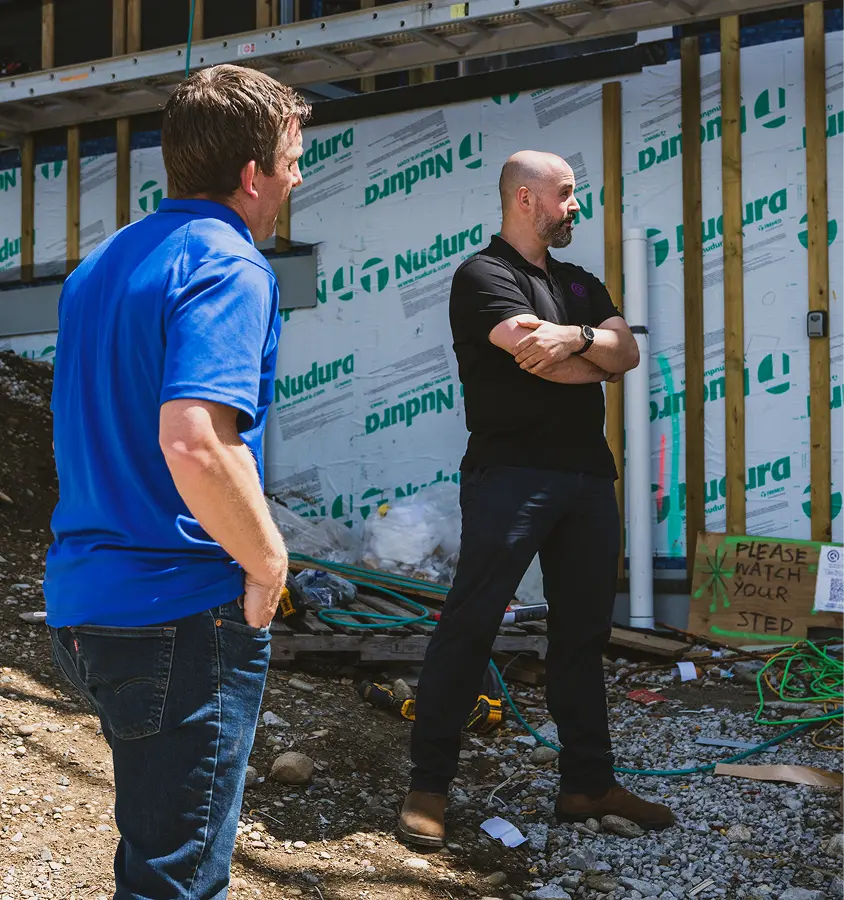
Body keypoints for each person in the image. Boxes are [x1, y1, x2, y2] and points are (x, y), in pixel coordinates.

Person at [44, 65, 309, 898]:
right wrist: (269, 564)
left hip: (90, 604)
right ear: (252, 174)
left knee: (154, 857)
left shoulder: (103, 265)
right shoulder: (229, 263)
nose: (297, 178)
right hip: (180, 611)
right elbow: (195, 443)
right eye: (293, 160)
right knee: (179, 879)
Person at [398, 150, 674, 848]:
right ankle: (428, 784)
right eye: (566, 194)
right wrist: (589, 358)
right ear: (526, 199)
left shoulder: (580, 284)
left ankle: (587, 783)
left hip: (587, 476)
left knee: (581, 636)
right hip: (511, 473)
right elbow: (538, 359)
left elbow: (625, 354)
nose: (575, 206)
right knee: (471, 624)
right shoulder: (483, 275)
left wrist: (579, 338)